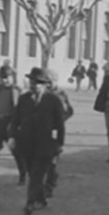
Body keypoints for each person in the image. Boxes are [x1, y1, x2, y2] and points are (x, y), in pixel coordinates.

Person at [12, 67, 65, 215]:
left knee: (36, 175)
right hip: (26, 145)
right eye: (31, 82)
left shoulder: (53, 100)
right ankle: (41, 199)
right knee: (32, 173)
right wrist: (12, 137)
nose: (33, 85)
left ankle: (30, 203)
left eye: (37, 83)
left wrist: (59, 144)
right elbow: (15, 119)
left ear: (44, 84)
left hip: (46, 145)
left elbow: (60, 124)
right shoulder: (24, 99)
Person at [43, 68, 74, 198]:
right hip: (41, 131)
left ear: (55, 81)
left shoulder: (61, 94)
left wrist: (59, 122)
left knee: (52, 160)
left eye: (50, 81)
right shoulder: (40, 93)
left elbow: (69, 111)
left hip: (55, 132)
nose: (48, 84)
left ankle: (49, 185)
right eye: (46, 82)